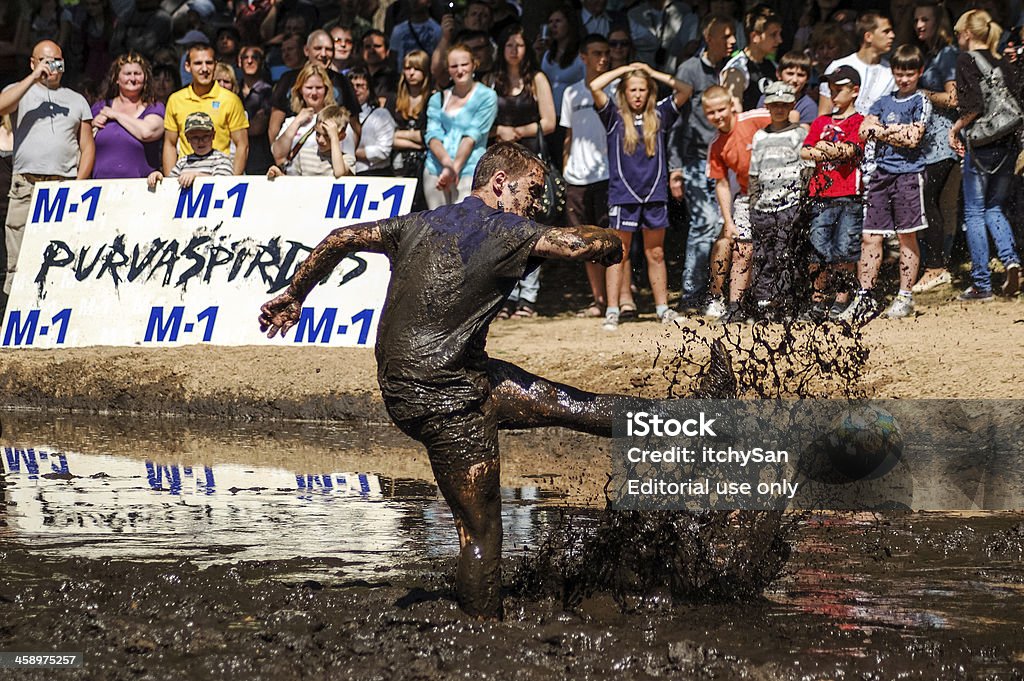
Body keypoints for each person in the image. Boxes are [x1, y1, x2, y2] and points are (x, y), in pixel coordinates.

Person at [257, 141, 736, 619]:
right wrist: (613, 242)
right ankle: (483, 633)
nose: (536, 203)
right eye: (533, 190)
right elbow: (586, 245)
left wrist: (295, 294)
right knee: (481, 530)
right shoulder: (504, 227)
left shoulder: (419, 221)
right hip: (444, 399)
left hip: (442, 378)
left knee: (566, 403)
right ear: (500, 183)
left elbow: (340, 237)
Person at [591, 61, 689, 330]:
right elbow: (594, 86)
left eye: (642, 89)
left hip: (655, 195)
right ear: (624, 91)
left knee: (655, 253)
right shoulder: (613, 116)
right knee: (618, 255)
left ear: (649, 91)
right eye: (632, 89)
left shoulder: (659, 115)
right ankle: (612, 310)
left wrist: (652, 71)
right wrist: (625, 70)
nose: (637, 94)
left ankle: (662, 308)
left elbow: (685, 90)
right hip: (623, 195)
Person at [840, 45, 930, 322]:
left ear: (919, 72)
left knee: (906, 235)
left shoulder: (920, 101)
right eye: (899, 73)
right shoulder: (882, 101)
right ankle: (864, 295)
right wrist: (893, 131)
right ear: (893, 72)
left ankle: (905, 296)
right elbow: (864, 130)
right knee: (870, 237)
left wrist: (883, 131)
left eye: (909, 74)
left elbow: (914, 138)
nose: (904, 79)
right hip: (880, 174)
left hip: (909, 174)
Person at [0, 40, 93, 305]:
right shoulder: (19, 91)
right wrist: (33, 77)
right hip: (25, 184)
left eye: (57, 61)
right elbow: (1, 107)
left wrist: (78, 185)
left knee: (60, 247)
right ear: (33, 62)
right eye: (45, 60)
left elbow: (87, 147)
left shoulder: (76, 100)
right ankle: (14, 310)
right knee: (18, 249)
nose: (52, 66)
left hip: (62, 184)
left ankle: (55, 306)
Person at [949, 8, 1021, 301]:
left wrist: (955, 128)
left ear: (967, 33)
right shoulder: (1003, 59)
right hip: (1008, 143)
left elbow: (974, 105)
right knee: (994, 208)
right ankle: (1011, 260)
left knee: (975, 211)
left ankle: (981, 284)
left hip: (981, 146)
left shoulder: (966, 59)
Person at [487, 23, 557, 319]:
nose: (514, 50)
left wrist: (516, 131)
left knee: (530, 227)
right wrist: (499, 131)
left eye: (519, 44)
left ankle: (528, 295)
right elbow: (483, 122)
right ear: (501, 49)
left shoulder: (536, 78)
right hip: (501, 161)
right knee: (502, 228)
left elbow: (550, 121)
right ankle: (505, 295)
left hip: (530, 160)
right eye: (509, 45)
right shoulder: (493, 80)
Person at [667, 13, 735, 314]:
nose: (732, 41)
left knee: (725, 228)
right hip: (695, 161)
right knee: (704, 224)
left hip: (727, 162)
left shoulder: (733, 70)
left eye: (734, 36)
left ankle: (718, 295)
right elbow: (676, 121)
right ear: (710, 39)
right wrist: (675, 167)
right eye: (726, 36)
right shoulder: (690, 68)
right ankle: (691, 295)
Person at [561, 33, 629, 319]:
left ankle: (624, 298)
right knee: (587, 240)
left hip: (609, 173)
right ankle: (598, 300)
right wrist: (566, 166)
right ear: (583, 56)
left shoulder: (617, 89)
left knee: (616, 238)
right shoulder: (571, 93)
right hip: (577, 176)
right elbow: (569, 134)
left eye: (607, 52)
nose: (604, 57)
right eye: (597, 53)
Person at [799, 66, 866, 322]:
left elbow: (850, 151)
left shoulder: (858, 121)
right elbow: (806, 152)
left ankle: (841, 299)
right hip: (821, 194)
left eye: (840, 89)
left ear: (855, 91)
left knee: (844, 250)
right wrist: (831, 149)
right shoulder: (821, 121)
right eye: (832, 89)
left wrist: (824, 148)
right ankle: (817, 300)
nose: (834, 94)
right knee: (817, 248)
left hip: (849, 193)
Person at [703, 85, 771, 323]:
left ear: (731, 106)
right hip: (745, 195)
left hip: (778, 189)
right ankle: (735, 306)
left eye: (721, 109)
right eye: (711, 113)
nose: (718, 116)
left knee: (775, 249)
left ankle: (772, 302)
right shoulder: (717, 145)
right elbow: (721, 184)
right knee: (743, 250)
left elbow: (790, 117)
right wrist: (728, 221)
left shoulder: (754, 118)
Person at [747, 81, 810, 318]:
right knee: (763, 255)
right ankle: (764, 301)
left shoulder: (799, 133)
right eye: (775, 105)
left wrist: (801, 203)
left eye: (784, 105)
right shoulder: (760, 136)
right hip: (763, 207)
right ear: (767, 106)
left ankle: (786, 301)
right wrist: (754, 204)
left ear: (792, 105)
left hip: (790, 205)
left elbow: (807, 169)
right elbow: (754, 173)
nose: (780, 109)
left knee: (787, 254)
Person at [910, 0, 959, 293]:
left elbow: (953, 99)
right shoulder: (930, 54)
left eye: (925, 19)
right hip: (928, 143)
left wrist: (919, 93)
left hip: (943, 141)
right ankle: (937, 267)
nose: (919, 25)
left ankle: (936, 267)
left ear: (938, 21)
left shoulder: (948, 54)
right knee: (934, 205)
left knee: (929, 202)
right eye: (916, 20)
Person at [422, 43, 498, 208]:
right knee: (437, 227)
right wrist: (446, 164)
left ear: (473, 65)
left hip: (469, 171)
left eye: (464, 64)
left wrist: (453, 169)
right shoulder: (437, 99)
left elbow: (472, 136)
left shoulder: (487, 97)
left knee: (463, 226)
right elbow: (432, 135)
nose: (460, 70)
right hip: (435, 169)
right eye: (454, 66)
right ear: (448, 70)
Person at [163, 42, 249, 176]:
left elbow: (242, 145)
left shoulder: (230, 100)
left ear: (215, 65)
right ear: (187, 66)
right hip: (185, 178)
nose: (204, 69)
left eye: (209, 63)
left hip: (219, 176)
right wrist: (170, 185)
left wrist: (231, 182)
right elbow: (170, 144)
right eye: (198, 63)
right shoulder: (175, 100)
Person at [268, 30, 361, 146]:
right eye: (318, 48)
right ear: (306, 51)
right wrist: (279, 156)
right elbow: (274, 126)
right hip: (295, 152)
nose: (323, 54)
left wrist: (347, 157)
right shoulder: (288, 79)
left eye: (328, 49)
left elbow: (354, 126)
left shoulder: (343, 82)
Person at [90, 52, 165, 179]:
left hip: (141, 187)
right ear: (117, 79)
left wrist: (116, 115)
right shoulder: (100, 107)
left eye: (137, 73)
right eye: (127, 74)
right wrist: (91, 124)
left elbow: (147, 132)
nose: (133, 78)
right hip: (101, 186)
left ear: (145, 78)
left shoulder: (155, 107)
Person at [271, 62, 351, 174]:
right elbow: (278, 156)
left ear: (326, 90)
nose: (314, 93)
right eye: (309, 88)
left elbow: (348, 157)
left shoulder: (338, 119)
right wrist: (297, 121)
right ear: (300, 90)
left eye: (319, 88)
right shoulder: (291, 121)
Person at [818, 12, 896, 115]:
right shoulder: (837, 67)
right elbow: (823, 114)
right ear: (868, 36)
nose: (892, 35)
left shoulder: (892, 73)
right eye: (886, 31)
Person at [388, 49, 432, 210]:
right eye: (407, 68)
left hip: (425, 165)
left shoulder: (433, 98)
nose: (411, 73)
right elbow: (386, 138)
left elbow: (429, 136)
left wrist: (399, 135)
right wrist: (416, 141)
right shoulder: (394, 99)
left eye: (417, 68)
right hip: (398, 164)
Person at [147, 111, 233, 188]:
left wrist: (197, 177)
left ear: (213, 135)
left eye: (205, 136)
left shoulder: (222, 160)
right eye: (195, 137)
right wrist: (159, 179)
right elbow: (171, 185)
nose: (201, 141)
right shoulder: (182, 162)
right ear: (188, 139)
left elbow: (222, 186)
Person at [720, 9, 783, 112]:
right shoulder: (737, 70)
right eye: (773, 35)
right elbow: (735, 115)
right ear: (754, 37)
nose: (780, 40)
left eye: (780, 34)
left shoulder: (774, 66)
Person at [267, 104, 354, 177]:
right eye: (317, 134)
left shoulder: (347, 159)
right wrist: (280, 176)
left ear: (341, 137)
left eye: (327, 136)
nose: (320, 140)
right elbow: (293, 183)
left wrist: (334, 137)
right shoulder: (303, 155)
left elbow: (339, 173)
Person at [346, 66, 395, 175]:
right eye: (351, 86)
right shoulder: (340, 116)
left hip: (375, 174)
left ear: (369, 88)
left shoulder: (381, 114)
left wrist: (353, 153)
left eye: (360, 86)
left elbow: (383, 150)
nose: (355, 89)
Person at [238, 45, 274, 175]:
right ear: (239, 62)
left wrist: (234, 129)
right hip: (235, 156)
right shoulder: (234, 91)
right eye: (245, 57)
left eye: (255, 57)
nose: (249, 61)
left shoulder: (269, 92)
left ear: (262, 62)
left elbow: (258, 127)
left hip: (259, 157)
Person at [756, 51, 818, 125]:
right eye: (790, 74)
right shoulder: (765, 99)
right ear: (778, 74)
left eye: (800, 75)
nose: (795, 80)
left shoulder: (808, 107)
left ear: (807, 79)